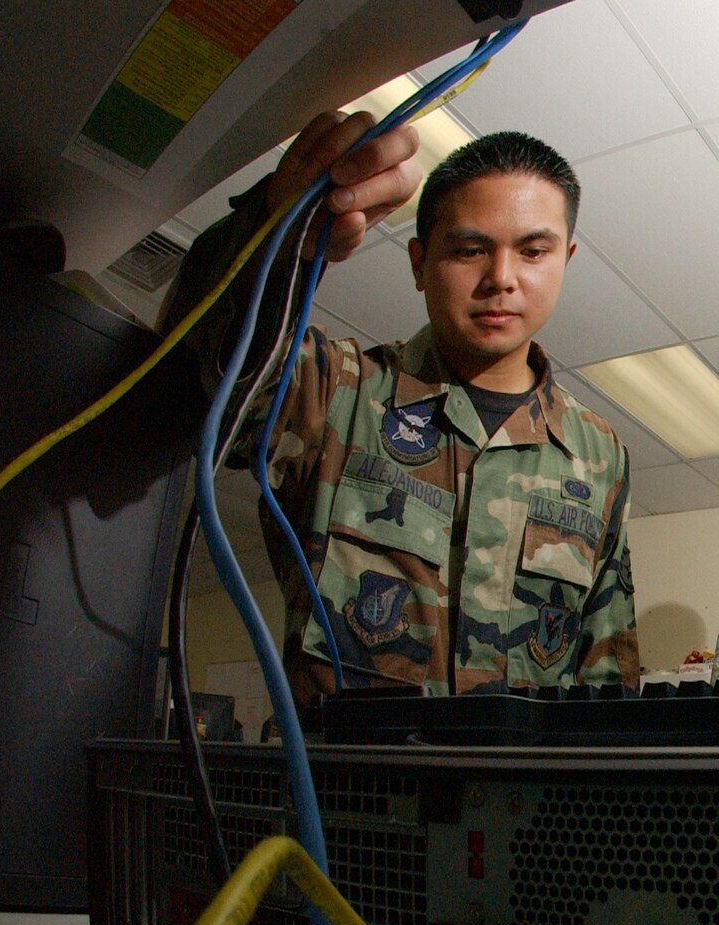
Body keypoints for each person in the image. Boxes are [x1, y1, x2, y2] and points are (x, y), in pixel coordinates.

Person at [164, 116, 639, 707]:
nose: (501, 279)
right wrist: (272, 229)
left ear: (564, 258)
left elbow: (607, 676)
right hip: (353, 791)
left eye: (533, 251)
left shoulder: (598, 455)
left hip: (524, 798)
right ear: (418, 263)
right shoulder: (336, 390)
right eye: (470, 250)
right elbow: (197, 371)